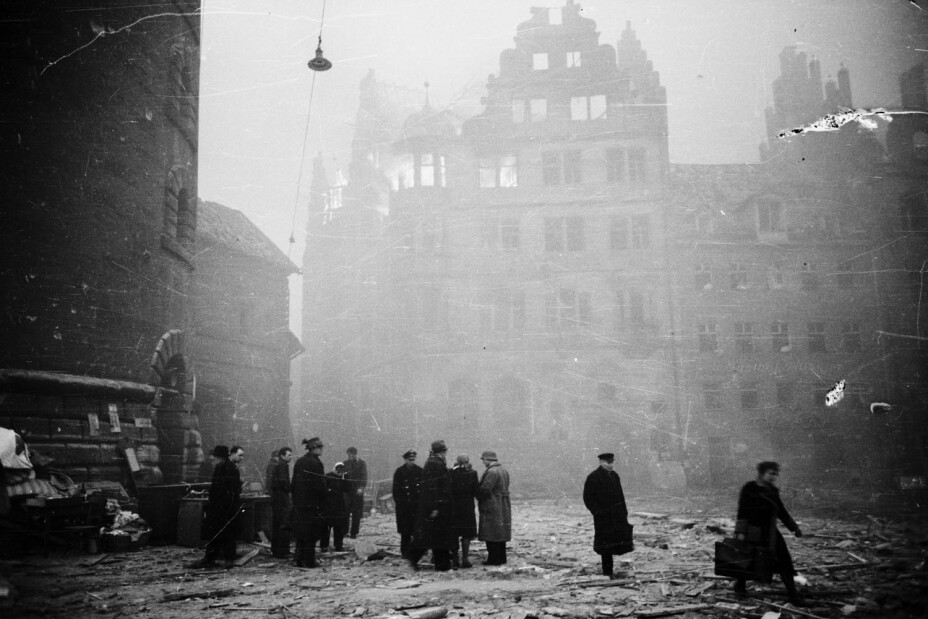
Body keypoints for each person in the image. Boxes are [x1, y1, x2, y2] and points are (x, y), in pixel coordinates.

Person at [734, 461, 806, 605]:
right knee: (747, 560)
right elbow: (742, 510)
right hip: (752, 532)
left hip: (771, 533)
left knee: (784, 561)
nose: (773, 477)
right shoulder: (749, 488)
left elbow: (781, 511)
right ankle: (740, 587)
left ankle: (793, 595)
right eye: (771, 473)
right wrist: (741, 532)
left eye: (775, 474)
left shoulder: (773, 491)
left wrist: (794, 528)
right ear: (761, 473)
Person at [189, 445, 243, 568]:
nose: (213, 459)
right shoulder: (220, 467)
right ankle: (210, 558)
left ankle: (229, 559)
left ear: (220, 457)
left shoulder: (231, 469)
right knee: (214, 534)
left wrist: (226, 507)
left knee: (228, 534)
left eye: (215, 457)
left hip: (226, 509)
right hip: (217, 508)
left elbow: (233, 491)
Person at [583, 452, 632, 578]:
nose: (611, 465)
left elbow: (620, 495)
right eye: (608, 462)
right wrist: (597, 512)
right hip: (603, 518)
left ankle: (610, 571)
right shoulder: (593, 477)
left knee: (616, 542)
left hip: (616, 516)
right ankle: (607, 572)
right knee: (605, 547)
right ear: (601, 462)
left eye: (612, 462)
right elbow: (588, 498)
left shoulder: (614, 476)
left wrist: (624, 511)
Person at [407, 440, 454, 571]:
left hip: (438, 506)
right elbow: (431, 487)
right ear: (442, 452)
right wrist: (434, 507)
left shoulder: (434, 463)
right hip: (436, 507)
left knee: (436, 536)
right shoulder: (434, 464)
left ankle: (442, 564)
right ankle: (417, 558)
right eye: (445, 451)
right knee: (433, 536)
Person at [291, 437, 326, 568]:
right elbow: (319, 485)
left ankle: (298, 559)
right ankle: (309, 561)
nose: (322, 449)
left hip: (299, 503)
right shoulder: (316, 463)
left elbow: (293, 483)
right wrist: (323, 500)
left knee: (301, 533)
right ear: (314, 448)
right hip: (313, 503)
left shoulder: (299, 461)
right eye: (320, 447)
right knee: (311, 533)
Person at [477, 450, 511, 565]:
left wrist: (477, 495)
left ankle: (493, 559)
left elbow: (485, 489)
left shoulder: (491, 472)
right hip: (503, 504)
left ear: (487, 459)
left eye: (483, 460)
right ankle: (501, 558)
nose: (483, 462)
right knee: (500, 533)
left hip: (492, 504)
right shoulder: (503, 470)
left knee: (491, 532)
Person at [450, 454, 479, 568]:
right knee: (466, 534)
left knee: (454, 534)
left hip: (454, 507)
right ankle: (465, 559)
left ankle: (455, 559)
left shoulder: (451, 472)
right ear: (467, 461)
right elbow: (476, 491)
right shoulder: (472, 473)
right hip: (467, 507)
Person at [392, 449, 423, 558]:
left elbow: (423, 489)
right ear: (405, 460)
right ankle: (405, 552)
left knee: (417, 530)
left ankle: (415, 553)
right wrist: (400, 504)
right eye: (410, 460)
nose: (412, 462)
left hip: (416, 507)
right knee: (405, 532)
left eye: (413, 460)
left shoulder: (419, 471)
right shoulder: (399, 472)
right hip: (404, 508)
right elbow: (395, 490)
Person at [269, 447, 293, 558]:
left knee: (277, 524)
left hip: (276, 499)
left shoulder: (278, 465)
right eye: (289, 455)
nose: (291, 457)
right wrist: (290, 490)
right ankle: (283, 551)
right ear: (282, 456)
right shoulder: (283, 466)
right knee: (284, 524)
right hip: (282, 499)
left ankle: (275, 550)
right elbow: (284, 482)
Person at [321, 462, 350, 551]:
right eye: (338, 468)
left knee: (339, 527)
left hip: (339, 505)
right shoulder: (328, 476)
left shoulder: (342, 478)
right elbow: (323, 488)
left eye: (342, 469)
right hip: (328, 505)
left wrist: (345, 480)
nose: (339, 470)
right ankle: (324, 546)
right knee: (326, 527)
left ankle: (338, 545)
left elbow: (347, 489)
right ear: (335, 468)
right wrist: (330, 491)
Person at [343, 446, 368, 539]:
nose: (350, 456)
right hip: (347, 491)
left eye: (352, 454)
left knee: (356, 513)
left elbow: (364, 477)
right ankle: (344, 531)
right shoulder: (345, 463)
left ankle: (354, 532)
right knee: (345, 512)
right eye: (349, 455)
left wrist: (361, 488)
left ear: (355, 454)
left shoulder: (362, 463)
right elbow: (342, 476)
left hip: (357, 491)